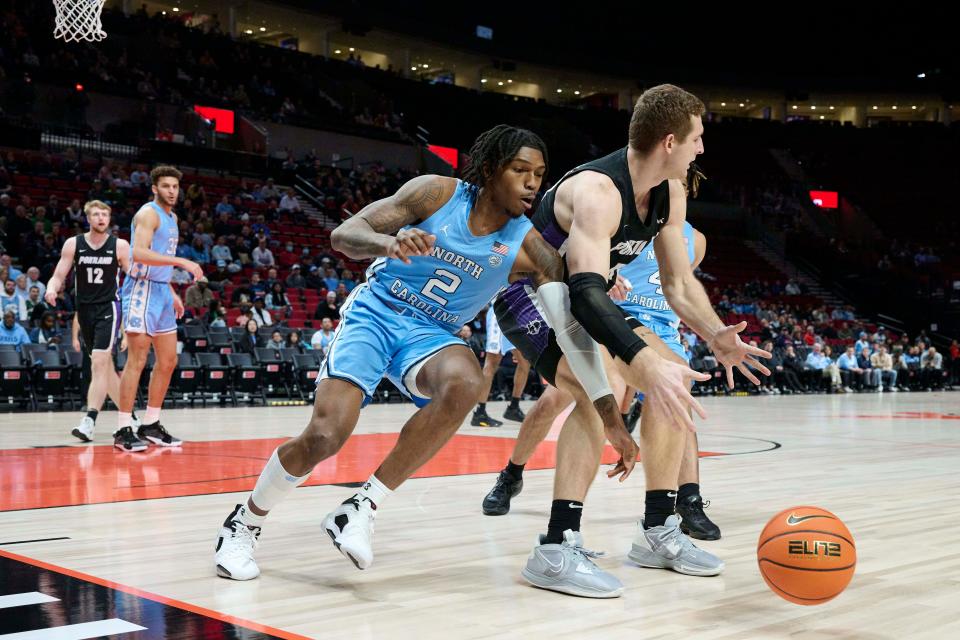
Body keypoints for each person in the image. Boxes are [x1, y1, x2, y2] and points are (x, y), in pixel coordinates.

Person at [213, 125, 647, 582]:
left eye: (539, 173)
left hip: (432, 334)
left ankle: (361, 507)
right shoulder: (436, 194)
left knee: (467, 381)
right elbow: (345, 234)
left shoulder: (532, 248)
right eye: (521, 170)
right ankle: (245, 522)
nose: (532, 183)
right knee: (325, 436)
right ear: (490, 169)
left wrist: (611, 421)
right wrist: (388, 243)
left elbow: (572, 336)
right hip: (377, 313)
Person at [491, 85, 768, 597]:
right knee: (597, 388)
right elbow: (584, 293)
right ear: (669, 142)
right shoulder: (598, 191)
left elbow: (678, 284)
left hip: (583, 296)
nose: (701, 150)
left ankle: (658, 529)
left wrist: (716, 336)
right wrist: (639, 361)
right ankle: (555, 546)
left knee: (673, 380)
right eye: (697, 139)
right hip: (529, 294)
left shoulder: (671, 192)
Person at [481, 221, 721, 542]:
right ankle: (512, 474)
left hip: (658, 329)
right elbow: (582, 257)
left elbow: (680, 286)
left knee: (677, 393)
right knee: (553, 402)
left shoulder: (697, 239)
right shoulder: (629, 217)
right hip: (606, 312)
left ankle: (687, 500)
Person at [115, 166, 203, 452]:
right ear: (154, 188)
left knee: (167, 361)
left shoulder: (172, 217)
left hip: (162, 293)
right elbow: (138, 252)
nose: (171, 191)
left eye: (175, 186)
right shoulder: (148, 213)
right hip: (141, 289)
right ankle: (122, 428)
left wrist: (172, 292)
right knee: (137, 361)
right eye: (165, 186)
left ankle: (151, 424)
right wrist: (182, 262)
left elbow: (159, 257)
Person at [45, 200, 140, 443]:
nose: (100, 218)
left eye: (105, 215)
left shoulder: (119, 245)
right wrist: (51, 289)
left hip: (109, 307)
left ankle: (89, 420)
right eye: (96, 214)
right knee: (104, 369)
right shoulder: (73, 244)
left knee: (98, 362)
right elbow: (58, 274)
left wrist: (130, 321)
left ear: (109, 219)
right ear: (88, 218)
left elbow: (134, 278)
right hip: (84, 310)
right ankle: (130, 416)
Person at [470, 305, 532, 426]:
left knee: (525, 361)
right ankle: (479, 413)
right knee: (491, 363)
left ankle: (513, 407)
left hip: (516, 314)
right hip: (501, 310)